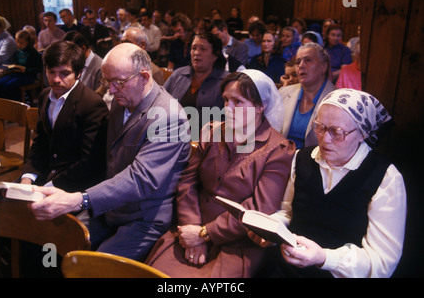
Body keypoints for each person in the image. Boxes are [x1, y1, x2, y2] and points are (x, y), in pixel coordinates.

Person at [30, 43, 191, 262]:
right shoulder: (121, 102)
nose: (110, 91)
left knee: (92, 266)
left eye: (118, 82)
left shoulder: (169, 116)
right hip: (111, 208)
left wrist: (81, 199)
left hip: (144, 217)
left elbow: (140, 180)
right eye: (107, 82)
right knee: (54, 244)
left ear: (144, 77)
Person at [146, 70, 296, 277]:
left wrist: (205, 234)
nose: (228, 108)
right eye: (226, 100)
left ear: (261, 106)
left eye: (238, 102)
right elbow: (188, 183)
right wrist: (192, 228)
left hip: (236, 242)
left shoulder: (278, 149)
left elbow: (259, 208)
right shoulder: (213, 132)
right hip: (190, 228)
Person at [255, 88, 406, 278]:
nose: (325, 140)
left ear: (362, 134)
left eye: (337, 132)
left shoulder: (385, 177)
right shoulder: (302, 158)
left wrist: (324, 258)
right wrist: (271, 228)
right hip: (286, 269)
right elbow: (289, 212)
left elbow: (381, 262)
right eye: (320, 127)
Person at [20, 40, 108, 191]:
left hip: (74, 182)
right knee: (0, 204)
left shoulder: (92, 104)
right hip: (47, 173)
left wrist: (49, 186)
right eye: (51, 72)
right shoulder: (45, 95)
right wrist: (27, 177)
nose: (55, 79)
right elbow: (41, 141)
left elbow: (89, 161)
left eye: (64, 73)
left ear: (79, 73)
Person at [164, 32, 229, 130]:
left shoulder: (227, 81)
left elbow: (230, 119)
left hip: (210, 140)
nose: (196, 53)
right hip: (173, 136)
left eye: (202, 49)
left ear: (215, 55)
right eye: (194, 48)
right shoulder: (178, 74)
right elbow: (160, 102)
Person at [279, 43, 336, 149]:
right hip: (281, 159)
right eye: (298, 62)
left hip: (316, 162)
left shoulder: (337, 100)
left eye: (308, 60)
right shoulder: (284, 92)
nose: (301, 65)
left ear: (324, 67)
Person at [0, 30, 42, 102]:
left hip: (28, 76)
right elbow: (16, 62)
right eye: (17, 42)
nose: (19, 45)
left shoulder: (33, 53)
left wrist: (25, 70)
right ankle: (1, 104)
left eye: (22, 43)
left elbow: (39, 68)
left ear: (27, 42)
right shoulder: (18, 51)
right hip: (17, 73)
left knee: (9, 85)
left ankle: (15, 104)